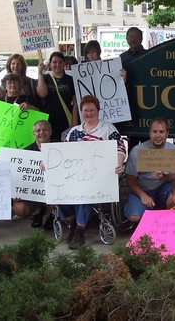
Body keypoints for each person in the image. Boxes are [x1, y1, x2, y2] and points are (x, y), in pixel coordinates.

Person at [59, 95, 125, 247]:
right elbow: (62, 154)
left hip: (98, 177)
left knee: (86, 191)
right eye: (85, 110)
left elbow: (120, 148)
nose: (88, 113)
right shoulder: (74, 132)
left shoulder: (107, 129)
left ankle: (80, 231)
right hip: (75, 175)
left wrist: (119, 162)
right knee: (57, 192)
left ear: (98, 111)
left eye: (92, 110)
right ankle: (73, 223)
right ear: (81, 111)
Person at [124, 117, 175, 223]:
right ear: (150, 133)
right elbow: (130, 178)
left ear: (167, 134)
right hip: (142, 188)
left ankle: (166, 221)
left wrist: (164, 177)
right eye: (154, 131)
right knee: (134, 217)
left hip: (163, 188)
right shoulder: (137, 150)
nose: (158, 136)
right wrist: (143, 195)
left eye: (161, 132)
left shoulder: (174, 150)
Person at [37, 51, 79, 141]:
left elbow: (75, 102)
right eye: (54, 62)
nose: (57, 64)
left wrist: (74, 124)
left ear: (64, 63)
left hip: (66, 121)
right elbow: (42, 94)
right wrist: (40, 73)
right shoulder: (45, 78)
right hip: (48, 121)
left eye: (60, 62)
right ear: (50, 64)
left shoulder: (70, 80)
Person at [19, 120, 53, 229]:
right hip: (35, 193)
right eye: (38, 130)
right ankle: (39, 212)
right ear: (33, 134)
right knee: (19, 208)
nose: (41, 133)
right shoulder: (26, 152)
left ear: (50, 132)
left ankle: (52, 216)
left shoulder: (60, 147)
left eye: (45, 130)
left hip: (55, 190)